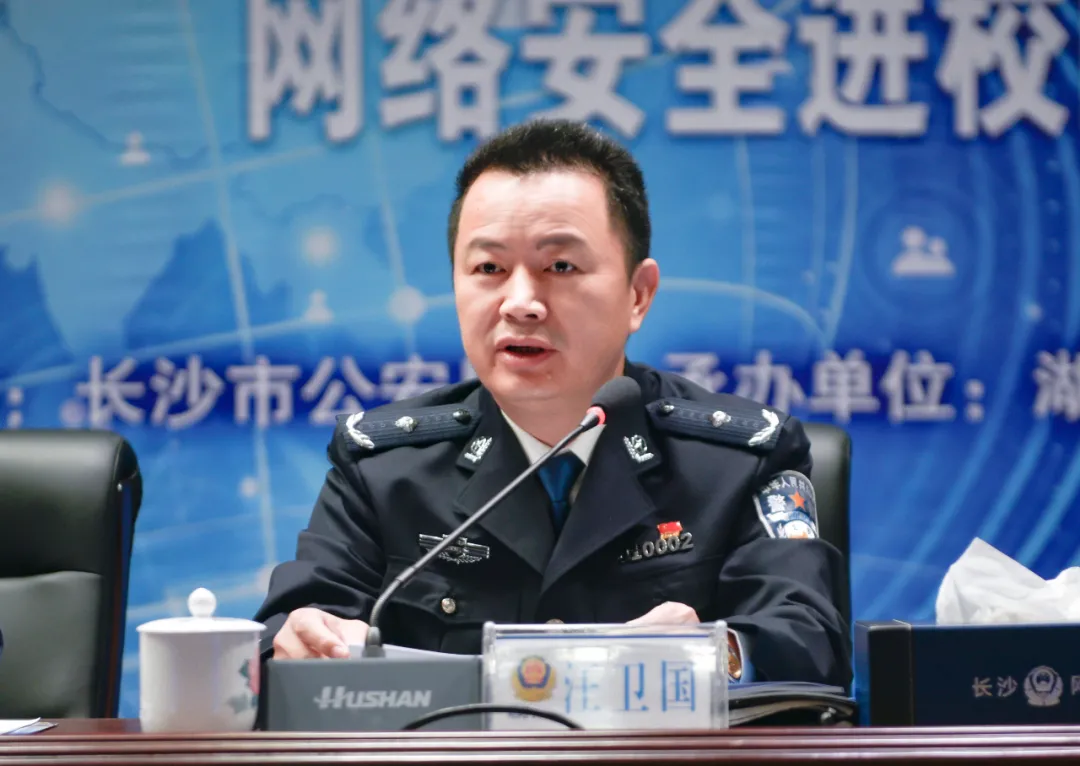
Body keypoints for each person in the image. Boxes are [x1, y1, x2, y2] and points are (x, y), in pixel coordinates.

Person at [253, 119, 851, 687]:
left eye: (560, 266)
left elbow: (810, 641)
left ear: (638, 295)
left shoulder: (738, 460)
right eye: (489, 267)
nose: (520, 302)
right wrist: (299, 643)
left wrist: (711, 655)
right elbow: (284, 635)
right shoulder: (384, 469)